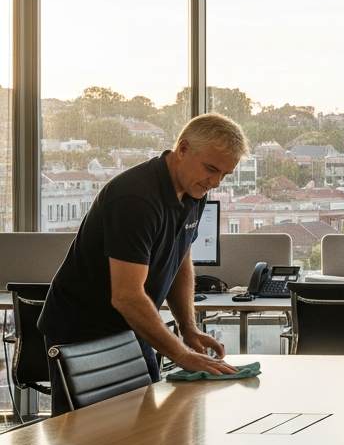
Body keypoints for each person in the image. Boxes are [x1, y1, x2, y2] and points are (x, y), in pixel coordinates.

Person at [39, 114, 247, 413]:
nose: (214, 182)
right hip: (84, 334)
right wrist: (182, 355)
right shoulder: (136, 198)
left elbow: (180, 255)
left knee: (147, 432)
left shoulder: (194, 190)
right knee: (89, 441)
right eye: (211, 169)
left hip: (132, 327)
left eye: (225, 175)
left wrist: (187, 327)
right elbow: (126, 295)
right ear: (183, 149)